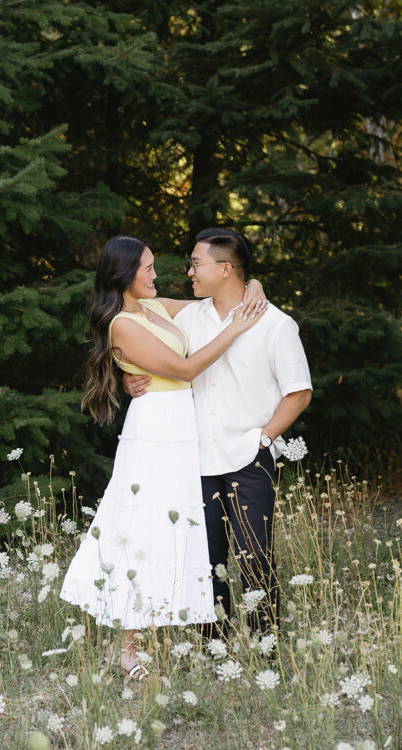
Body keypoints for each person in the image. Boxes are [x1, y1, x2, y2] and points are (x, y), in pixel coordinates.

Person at [59, 235, 264, 677]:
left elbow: (211, 301)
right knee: (143, 524)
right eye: (147, 269)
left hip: (180, 425)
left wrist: (256, 286)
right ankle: (127, 648)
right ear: (124, 274)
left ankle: (161, 627)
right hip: (155, 428)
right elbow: (187, 369)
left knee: (174, 523)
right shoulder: (121, 324)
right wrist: (236, 328)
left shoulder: (150, 307)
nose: (156, 276)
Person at [125, 228, 312, 630]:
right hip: (195, 459)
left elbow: (299, 392)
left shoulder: (276, 324)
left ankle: (266, 643)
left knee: (255, 556)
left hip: (249, 457)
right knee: (204, 559)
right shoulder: (189, 316)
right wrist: (128, 375)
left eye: (196, 263)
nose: (189, 271)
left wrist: (263, 441)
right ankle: (214, 644)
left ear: (226, 269)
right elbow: (133, 313)